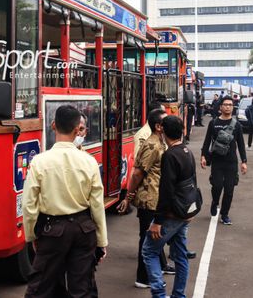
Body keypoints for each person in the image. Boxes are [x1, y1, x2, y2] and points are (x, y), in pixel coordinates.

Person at [23, 105, 107, 297]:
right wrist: (101, 241)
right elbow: (97, 205)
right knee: (82, 288)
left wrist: (32, 236)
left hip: (52, 230)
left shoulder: (40, 161)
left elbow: (29, 205)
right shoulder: (89, 161)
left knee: (41, 287)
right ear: (78, 129)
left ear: (53, 125)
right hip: (84, 230)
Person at [118, 108, 174, 288]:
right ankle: (143, 277)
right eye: (165, 122)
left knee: (153, 238)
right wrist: (128, 196)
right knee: (147, 238)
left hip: (156, 197)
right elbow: (136, 174)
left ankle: (154, 271)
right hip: (149, 198)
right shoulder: (152, 145)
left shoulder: (160, 142)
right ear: (158, 126)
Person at [142, 115, 196, 298]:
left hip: (172, 214)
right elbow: (192, 184)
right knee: (180, 255)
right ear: (182, 131)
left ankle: (159, 293)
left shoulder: (169, 155)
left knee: (149, 251)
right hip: (185, 212)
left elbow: (166, 191)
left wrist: (157, 221)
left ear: (163, 132)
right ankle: (179, 295)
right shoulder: (187, 152)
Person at [201, 95, 247, 225]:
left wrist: (244, 161)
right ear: (220, 107)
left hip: (231, 161)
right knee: (217, 186)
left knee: (229, 189)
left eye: (230, 105)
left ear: (233, 107)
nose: (228, 107)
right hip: (217, 161)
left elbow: (241, 144)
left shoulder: (236, 125)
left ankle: (225, 214)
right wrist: (203, 156)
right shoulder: (214, 123)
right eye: (225, 104)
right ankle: (215, 202)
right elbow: (207, 141)